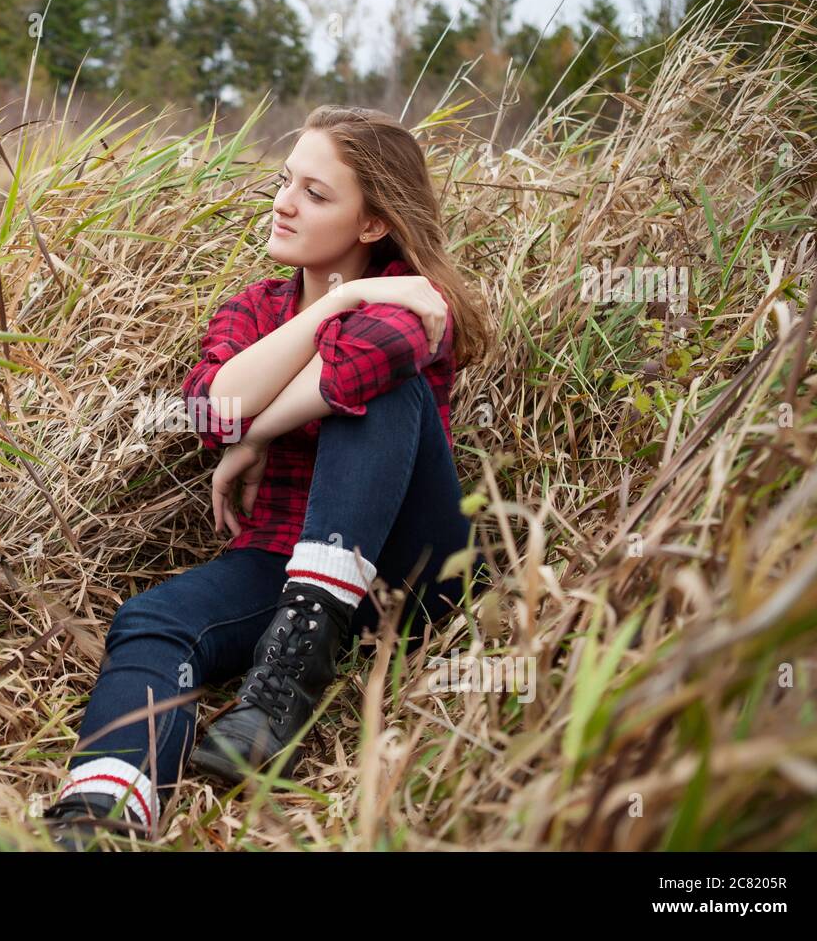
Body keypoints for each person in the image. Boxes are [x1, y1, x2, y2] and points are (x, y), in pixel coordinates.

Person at [35, 105, 494, 849]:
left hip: (412, 570)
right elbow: (212, 412)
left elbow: (356, 370)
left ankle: (288, 680)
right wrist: (335, 302)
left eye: (316, 194)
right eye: (286, 182)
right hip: (280, 561)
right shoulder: (255, 309)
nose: (284, 203)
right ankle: (103, 813)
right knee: (153, 623)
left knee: (385, 388)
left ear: (373, 223)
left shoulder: (416, 301)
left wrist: (259, 429)